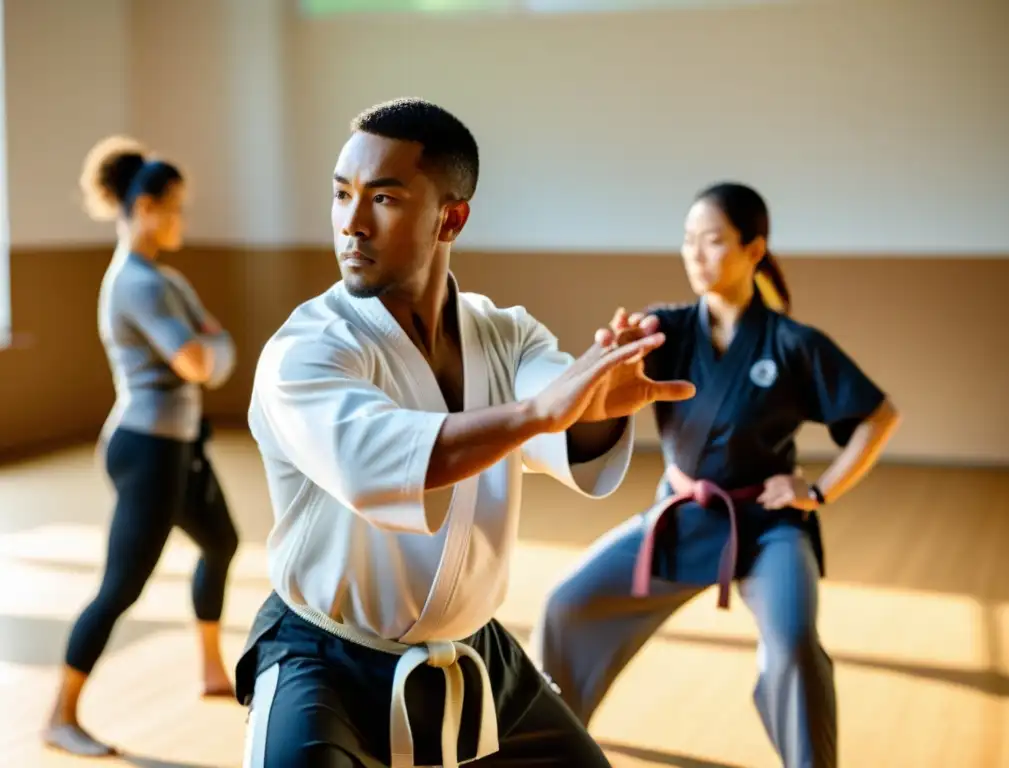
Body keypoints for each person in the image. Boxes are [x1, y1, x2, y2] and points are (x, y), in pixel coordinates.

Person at [236, 97, 697, 768]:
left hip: (472, 649)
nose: (352, 224)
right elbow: (383, 466)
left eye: (384, 199)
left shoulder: (504, 332)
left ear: (451, 217)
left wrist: (602, 402)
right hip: (323, 658)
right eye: (342, 195)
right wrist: (543, 413)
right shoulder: (306, 350)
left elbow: (560, 428)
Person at [534, 182, 902, 768]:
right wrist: (612, 364)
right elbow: (596, 405)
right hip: (679, 517)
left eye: (712, 242)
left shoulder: (791, 343)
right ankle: (551, 753)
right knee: (567, 603)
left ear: (754, 251)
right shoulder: (663, 329)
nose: (695, 255)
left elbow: (879, 416)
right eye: (687, 242)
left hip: (767, 529)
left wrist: (819, 489)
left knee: (794, 646)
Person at [44, 137, 240, 757]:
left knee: (222, 540)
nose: (183, 220)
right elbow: (199, 359)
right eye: (177, 207)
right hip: (147, 449)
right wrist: (212, 350)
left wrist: (214, 351)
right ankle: (59, 714)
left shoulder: (165, 278)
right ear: (149, 207)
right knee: (122, 587)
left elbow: (217, 351)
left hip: (178, 443)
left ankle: (211, 670)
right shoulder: (140, 285)